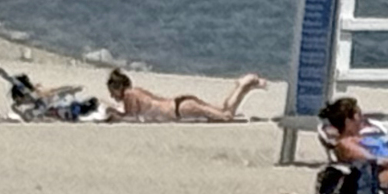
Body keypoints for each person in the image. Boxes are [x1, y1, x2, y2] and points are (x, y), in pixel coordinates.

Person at [104, 67, 267, 122]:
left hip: (178, 109)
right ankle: (242, 87)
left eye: (113, 92)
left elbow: (131, 118)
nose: (113, 96)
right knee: (223, 109)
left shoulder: (129, 95)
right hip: (180, 103)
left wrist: (113, 113)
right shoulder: (136, 91)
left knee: (225, 116)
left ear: (119, 87)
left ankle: (244, 85)